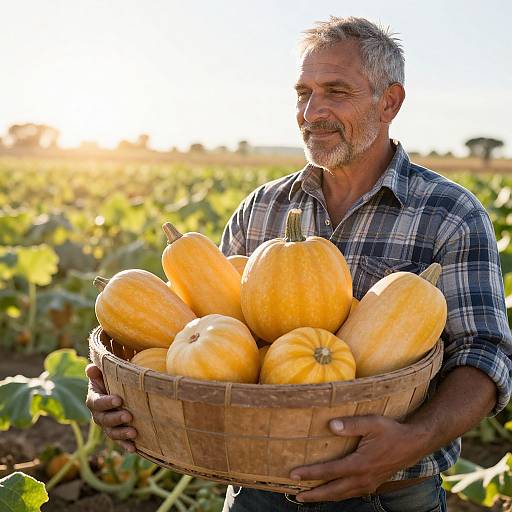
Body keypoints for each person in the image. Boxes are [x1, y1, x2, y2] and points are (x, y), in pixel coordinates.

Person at [86, 16, 512, 511]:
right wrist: (131, 396)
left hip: (388, 492)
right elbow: (206, 341)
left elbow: (486, 356)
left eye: (336, 91)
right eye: (302, 92)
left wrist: (412, 439)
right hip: (256, 491)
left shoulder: (451, 214)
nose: (313, 111)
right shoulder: (260, 207)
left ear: (390, 101)